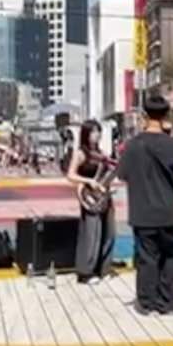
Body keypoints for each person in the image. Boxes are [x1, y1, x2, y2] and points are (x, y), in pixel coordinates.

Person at [116, 90, 173, 315]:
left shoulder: (133, 146)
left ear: (144, 115)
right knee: (171, 257)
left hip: (142, 212)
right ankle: (169, 302)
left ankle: (147, 302)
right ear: (166, 116)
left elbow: (122, 175)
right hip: (169, 211)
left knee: (147, 259)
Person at [66, 119, 116, 284]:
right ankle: (86, 272)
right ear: (86, 134)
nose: (97, 135)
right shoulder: (81, 153)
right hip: (89, 196)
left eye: (99, 131)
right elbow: (70, 175)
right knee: (92, 233)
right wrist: (88, 181)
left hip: (104, 195)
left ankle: (104, 268)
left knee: (109, 231)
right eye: (94, 131)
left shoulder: (101, 154)